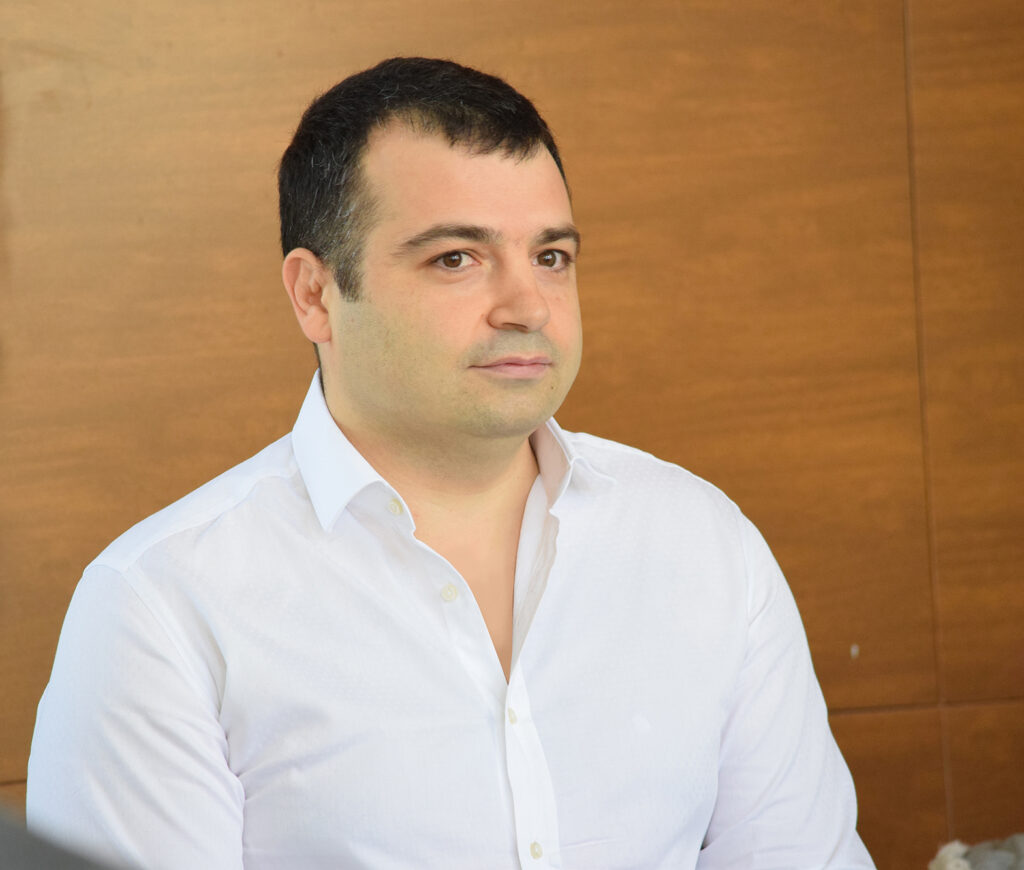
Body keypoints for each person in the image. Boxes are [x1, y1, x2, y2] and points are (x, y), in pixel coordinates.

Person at [27, 57, 875, 869]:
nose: (527, 306)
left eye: (551, 256)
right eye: (456, 259)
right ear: (315, 295)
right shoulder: (160, 607)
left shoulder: (703, 542)